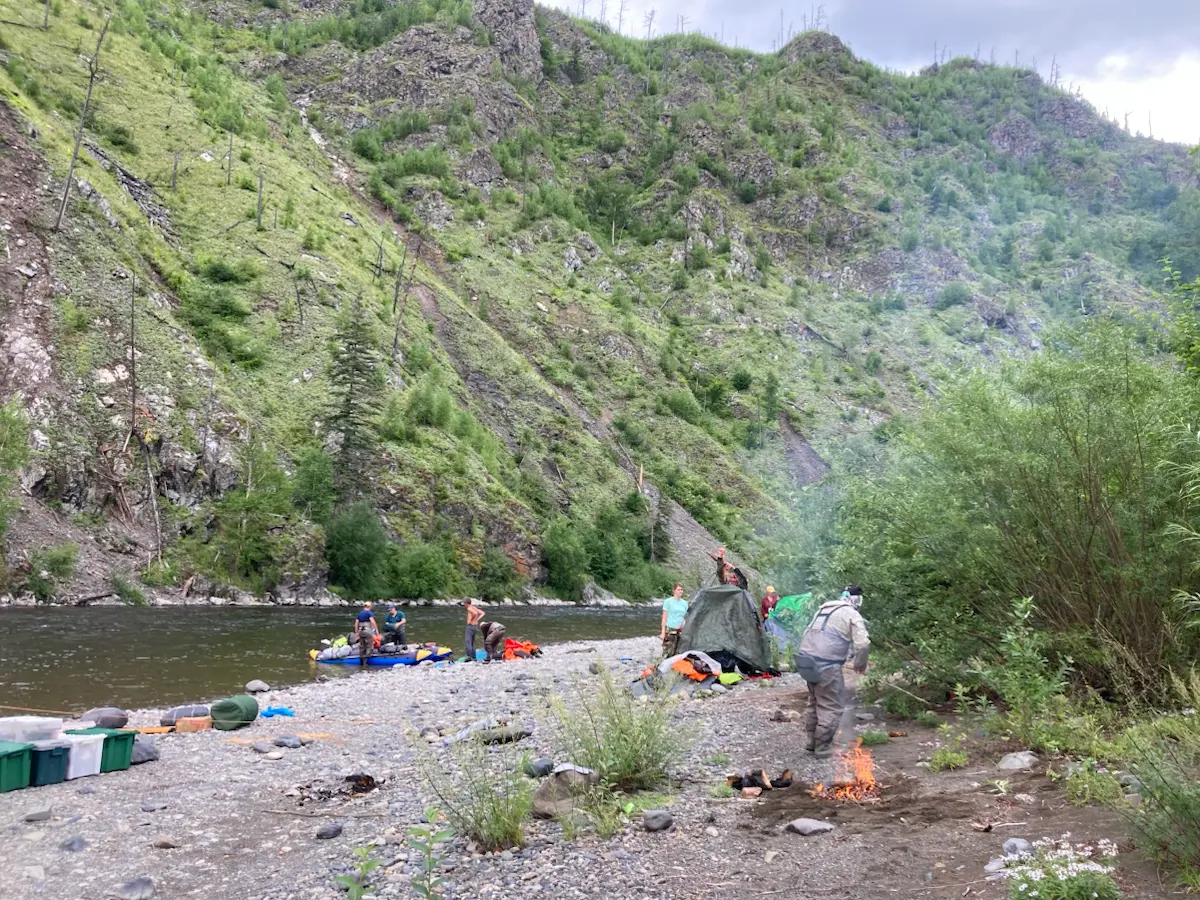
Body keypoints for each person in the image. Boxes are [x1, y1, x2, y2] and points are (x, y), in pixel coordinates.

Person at [793, 585, 869, 758]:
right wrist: (860, 664)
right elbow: (863, 644)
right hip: (826, 664)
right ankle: (823, 747)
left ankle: (811, 742)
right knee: (831, 704)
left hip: (806, 661)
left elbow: (821, 635)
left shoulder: (824, 609)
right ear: (857, 600)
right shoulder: (851, 613)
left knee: (814, 701)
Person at [660, 583, 689, 658]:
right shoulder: (668, 602)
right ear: (674, 591)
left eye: (682, 590)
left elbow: (686, 617)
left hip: (681, 630)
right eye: (679, 590)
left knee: (678, 652)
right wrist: (663, 632)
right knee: (668, 652)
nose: (681, 591)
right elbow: (664, 617)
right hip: (670, 630)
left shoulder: (685, 603)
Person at [354, 601, 378, 666]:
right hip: (367, 631)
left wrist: (356, 633)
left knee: (362, 647)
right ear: (369, 607)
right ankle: (365, 662)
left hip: (360, 631)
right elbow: (373, 622)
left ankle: (361, 662)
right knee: (369, 646)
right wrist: (376, 631)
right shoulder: (369, 613)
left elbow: (356, 624)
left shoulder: (360, 613)